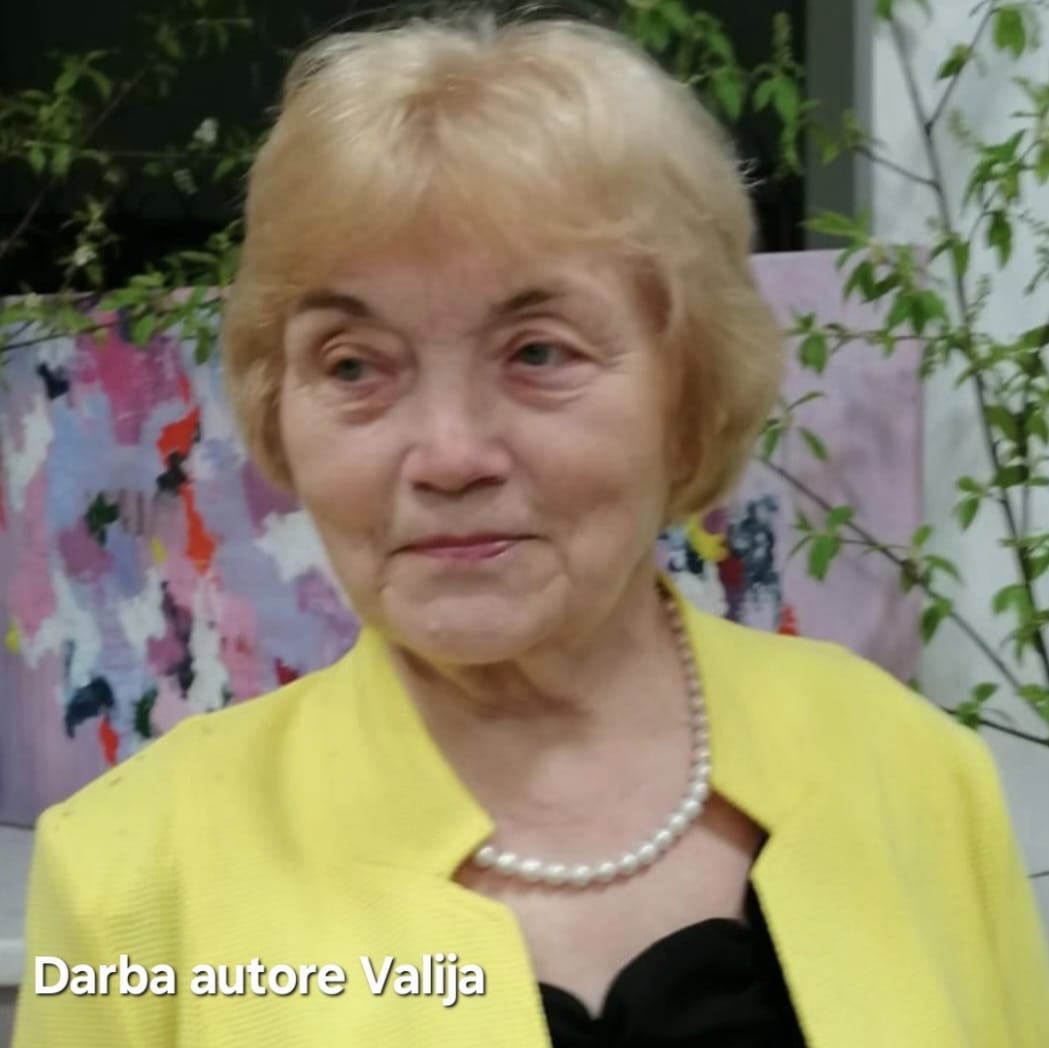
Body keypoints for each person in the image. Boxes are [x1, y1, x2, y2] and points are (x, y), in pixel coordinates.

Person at [14, 9, 1049, 1047]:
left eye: (538, 353)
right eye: (353, 365)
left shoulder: (915, 773)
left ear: (688, 394)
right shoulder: (130, 881)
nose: (448, 454)